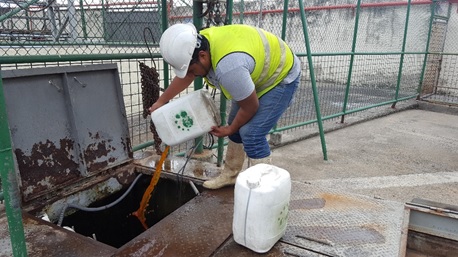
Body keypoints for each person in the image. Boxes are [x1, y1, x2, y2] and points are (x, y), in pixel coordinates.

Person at [149, 23, 301, 189]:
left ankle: (262, 191)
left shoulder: (229, 68)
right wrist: (161, 101)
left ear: (202, 56)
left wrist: (229, 129)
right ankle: (231, 175)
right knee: (235, 123)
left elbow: (250, 107)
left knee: (252, 134)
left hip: (281, 76)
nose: (192, 75)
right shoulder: (198, 44)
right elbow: (188, 74)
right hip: (255, 71)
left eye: (192, 71)